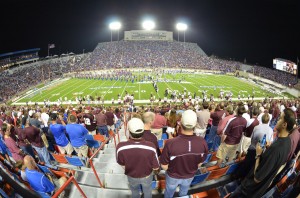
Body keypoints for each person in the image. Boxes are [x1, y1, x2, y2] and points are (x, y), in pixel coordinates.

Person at [230, 108, 295, 198]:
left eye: (280, 118)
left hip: (249, 189)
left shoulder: (276, 149)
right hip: (257, 190)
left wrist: (258, 154)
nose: (277, 120)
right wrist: (269, 148)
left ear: (284, 124)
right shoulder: (287, 141)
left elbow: (257, 178)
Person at [160, 110, 208, 198]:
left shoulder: (171, 143)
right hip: (189, 175)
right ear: (195, 124)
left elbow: (164, 166)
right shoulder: (203, 142)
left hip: (173, 176)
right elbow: (200, 163)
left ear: (181, 123)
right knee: (183, 193)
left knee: (169, 194)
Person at [116, 118, 160, 198]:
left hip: (131, 175)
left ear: (129, 131)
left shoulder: (120, 146)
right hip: (146, 175)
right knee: (147, 192)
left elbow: (121, 163)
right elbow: (156, 166)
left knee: (134, 192)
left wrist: (131, 169)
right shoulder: (151, 146)